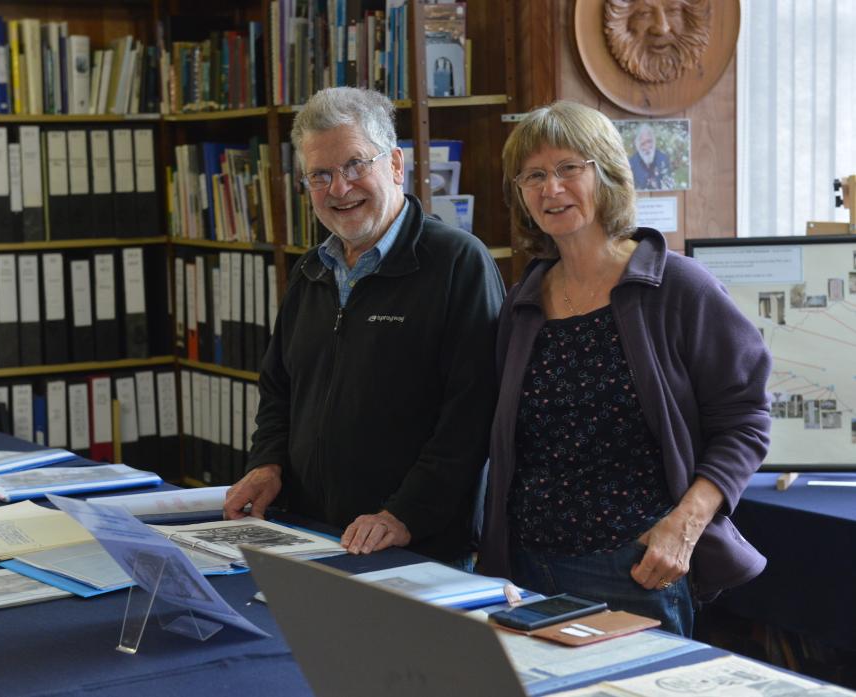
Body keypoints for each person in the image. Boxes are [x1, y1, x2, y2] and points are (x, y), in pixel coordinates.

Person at [478, 100, 771, 636]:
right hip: (525, 569)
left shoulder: (680, 288)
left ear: (608, 173)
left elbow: (746, 421)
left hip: (631, 570)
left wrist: (684, 527)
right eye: (534, 175)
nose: (552, 188)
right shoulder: (523, 300)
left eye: (570, 168)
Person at [222, 87, 505, 564]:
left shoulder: (457, 263)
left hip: (416, 545)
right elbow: (278, 389)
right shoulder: (311, 269)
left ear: (395, 165)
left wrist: (403, 515)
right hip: (309, 534)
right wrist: (266, 463)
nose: (339, 188)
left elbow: (471, 420)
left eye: (355, 165)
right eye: (320, 174)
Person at [628, 123, 674, 190]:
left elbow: (669, 185)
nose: (647, 147)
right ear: (638, 145)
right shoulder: (632, 163)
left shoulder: (663, 159)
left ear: (654, 141)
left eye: (649, 141)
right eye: (643, 144)